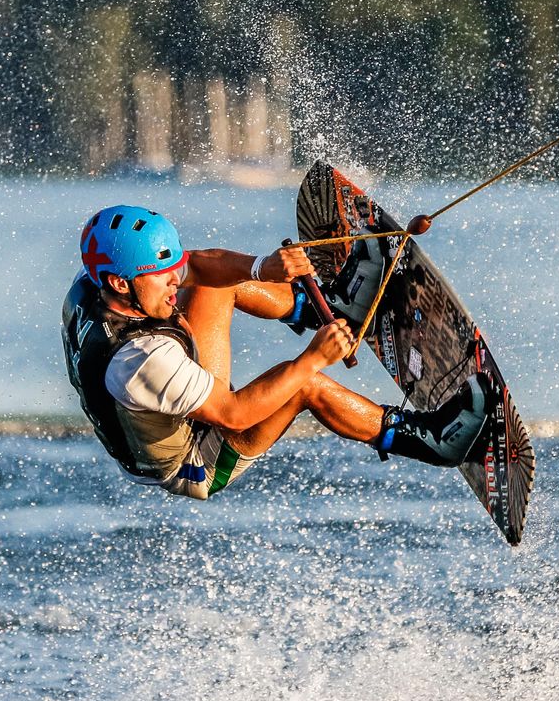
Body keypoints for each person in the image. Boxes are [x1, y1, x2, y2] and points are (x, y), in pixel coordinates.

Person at [61, 204, 489, 500]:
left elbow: (197, 265)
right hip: (195, 460)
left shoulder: (99, 283)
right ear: (121, 284)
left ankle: (332, 305)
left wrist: (261, 267)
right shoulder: (142, 361)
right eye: (162, 276)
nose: (174, 280)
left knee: (213, 284)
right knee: (304, 384)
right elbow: (234, 415)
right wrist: (312, 359)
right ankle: (434, 442)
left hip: (175, 399)